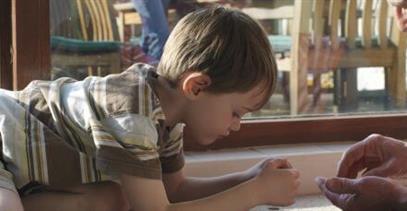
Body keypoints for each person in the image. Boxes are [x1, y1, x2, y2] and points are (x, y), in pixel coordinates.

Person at [0, 6, 300, 211]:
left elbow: (175, 189)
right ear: (196, 86)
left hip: (20, 170)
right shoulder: (133, 114)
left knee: (113, 200)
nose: (237, 126)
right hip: (3, 138)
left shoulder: (166, 118)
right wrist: (254, 193)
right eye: (237, 112)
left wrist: (249, 176)